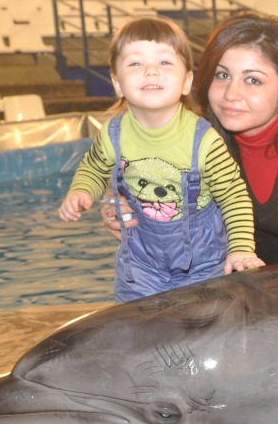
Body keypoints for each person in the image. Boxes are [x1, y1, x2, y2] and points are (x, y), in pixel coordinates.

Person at [103, 12, 278, 264]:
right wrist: (116, 206)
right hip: (251, 277)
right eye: (222, 75)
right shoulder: (194, 138)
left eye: (253, 80)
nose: (231, 94)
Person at [61, 16, 263, 302]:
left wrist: (241, 248)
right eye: (135, 63)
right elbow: (93, 168)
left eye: (165, 62)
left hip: (204, 263)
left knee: (206, 317)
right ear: (117, 83)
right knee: (137, 319)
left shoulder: (204, 141)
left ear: (187, 81)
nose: (151, 71)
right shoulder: (112, 135)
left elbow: (233, 196)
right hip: (141, 263)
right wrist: (81, 191)